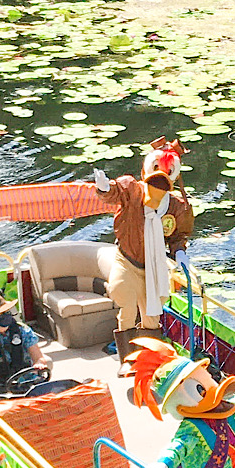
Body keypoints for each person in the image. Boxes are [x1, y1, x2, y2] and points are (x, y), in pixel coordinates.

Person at [92, 137, 194, 369]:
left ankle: (148, 363)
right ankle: (127, 361)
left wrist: (179, 252)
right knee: (125, 303)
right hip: (127, 259)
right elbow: (114, 194)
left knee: (151, 314)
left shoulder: (177, 206)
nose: (158, 184)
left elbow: (178, 236)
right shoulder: (132, 190)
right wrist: (104, 187)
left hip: (154, 265)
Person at [0, 290, 50, 396]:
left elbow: (38, 357)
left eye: (6, 312)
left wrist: (39, 364)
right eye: (0, 314)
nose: (5, 316)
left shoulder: (23, 330)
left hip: (26, 382)